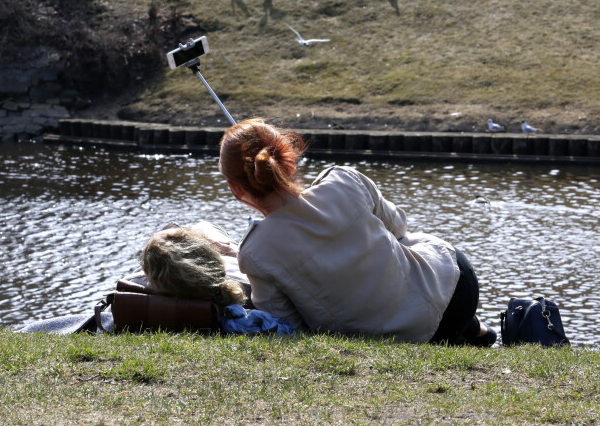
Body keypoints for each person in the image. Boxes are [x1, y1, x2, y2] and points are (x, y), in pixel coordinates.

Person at [218, 118, 496, 346]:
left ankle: (462, 331)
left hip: (384, 338)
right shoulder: (344, 180)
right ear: (289, 158)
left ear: (236, 188)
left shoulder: (255, 252)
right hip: (458, 294)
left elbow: (287, 324)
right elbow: (398, 227)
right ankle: (472, 328)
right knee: (407, 245)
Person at [139, 223, 294, 335]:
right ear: (216, 259)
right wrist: (234, 252)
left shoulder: (141, 299)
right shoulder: (253, 292)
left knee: (168, 232)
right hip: (231, 264)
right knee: (203, 226)